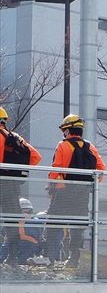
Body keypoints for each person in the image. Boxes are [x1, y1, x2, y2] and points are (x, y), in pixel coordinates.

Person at [44, 114, 106, 267]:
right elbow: (101, 169)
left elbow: (55, 169)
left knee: (53, 223)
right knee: (78, 226)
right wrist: (91, 185)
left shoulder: (63, 145)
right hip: (83, 192)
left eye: (64, 130)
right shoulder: (90, 146)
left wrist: (52, 186)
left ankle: (50, 257)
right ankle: (74, 258)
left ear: (68, 130)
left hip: (64, 191)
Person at [0, 106, 43, 260]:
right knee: (11, 219)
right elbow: (36, 157)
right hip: (11, 184)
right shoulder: (15, 138)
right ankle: (12, 256)